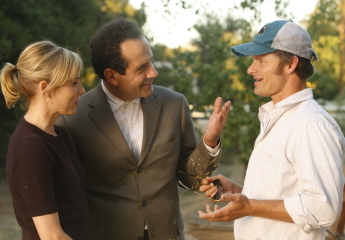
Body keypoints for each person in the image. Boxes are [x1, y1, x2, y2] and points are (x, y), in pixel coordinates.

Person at [56, 17, 231, 240]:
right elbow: (66, 195)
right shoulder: (72, 118)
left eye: (151, 62)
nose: (153, 72)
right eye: (142, 68)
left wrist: (210, 140)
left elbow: (191, 178)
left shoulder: (174, 104)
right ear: (112, 76)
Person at [198, 20, 345, 239]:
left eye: (261, 60)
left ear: (290, 64)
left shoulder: (311, 124)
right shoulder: (279, 118)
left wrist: (250, 206)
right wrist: (240, 192)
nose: (250, 69)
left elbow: (323, 208)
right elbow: (284, 192)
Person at [0, 41, 93, 240]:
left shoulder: (59, 134)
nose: (82, 90)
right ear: (46, 88)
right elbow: (52, 236)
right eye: (74, 83)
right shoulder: (30, 148)